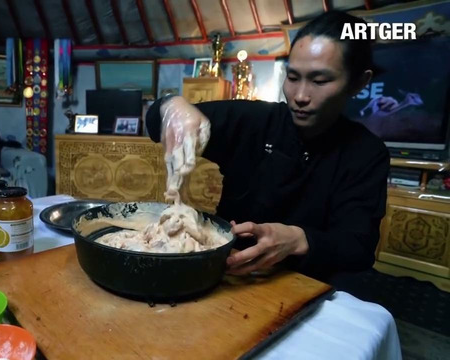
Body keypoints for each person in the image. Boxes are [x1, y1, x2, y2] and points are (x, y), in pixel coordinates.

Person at [146, 11, 390, 283]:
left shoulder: (367, 153)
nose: (300, 96)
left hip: (309, 284)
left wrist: (298, 239)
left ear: (359, 82)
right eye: (293, 77)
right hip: (230, 277)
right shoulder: (254, 121)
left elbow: (357, 248)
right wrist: (171, 106)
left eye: (319, 81)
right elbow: (157, 119)